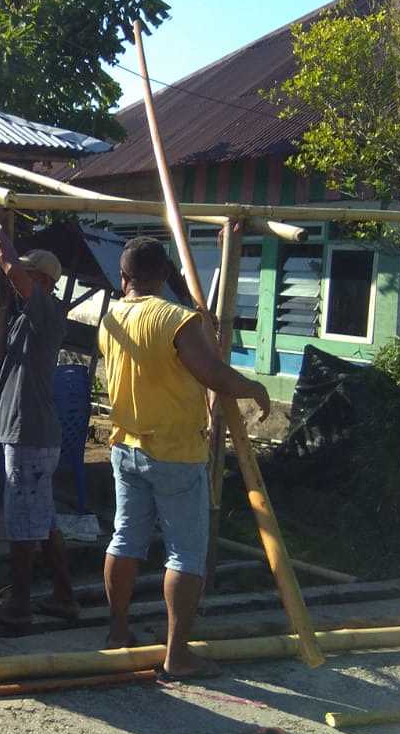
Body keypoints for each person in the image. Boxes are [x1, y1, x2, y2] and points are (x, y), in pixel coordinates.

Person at [98, 236, 271, 680]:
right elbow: (210, 372)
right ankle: (178, 653)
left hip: (126, 446)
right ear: (165, 274)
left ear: (124, 278)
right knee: (185, 554)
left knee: (124, 539)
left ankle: (118, 631)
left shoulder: (112, 318)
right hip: (174, 451)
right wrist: (253, 387)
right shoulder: (178, 320)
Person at [0, 209, 78, 629]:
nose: (20, 281)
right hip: (26, 430)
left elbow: (11, 266)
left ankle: (20, 602)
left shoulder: (46, 314)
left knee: (23, 523)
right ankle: (64, 597)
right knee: (42, 519)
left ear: (45, 283)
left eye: (31, 277)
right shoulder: (19, 313)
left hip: (30, 432)